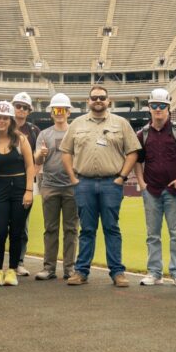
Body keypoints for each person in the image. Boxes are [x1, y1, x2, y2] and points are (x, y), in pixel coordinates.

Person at [61, 85, 140, 287]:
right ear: (88, 101)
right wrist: (73, 178)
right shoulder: (77, 124)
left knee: (111, 228)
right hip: (84, 182)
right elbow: (66, 152)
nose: (98, 100)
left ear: (108, 101)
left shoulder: (121, 123)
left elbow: (133, 152)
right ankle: (81, 271)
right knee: (87, 229)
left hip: (111, 183)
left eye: (102, 97)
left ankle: (117, 272)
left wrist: (122, 177)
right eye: (94, 97)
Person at [136, 88, 176, 287]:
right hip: (151, 191)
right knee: (152, 234)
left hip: (173, 191)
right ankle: (154, 272)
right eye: (154, 106)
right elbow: (137, 161)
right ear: (149, 108)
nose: (158, 109)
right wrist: (141, 183)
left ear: (169, 107)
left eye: (162, 106)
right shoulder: (143, 134)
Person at [0, 100, 35, 286]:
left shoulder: (20, 139)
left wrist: (29, 191)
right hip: (0, 187)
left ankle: (12, 270)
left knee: (16, 231)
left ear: (10, 120)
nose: (1, 121)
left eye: (5, 118)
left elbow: (30, 166)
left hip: (20, 187)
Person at [33, 93, 79, 281]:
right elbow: (37, 160)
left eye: (62, 110)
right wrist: (41, 154)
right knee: (50, 228)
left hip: (71, 186)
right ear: (51, 113)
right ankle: (49, 267)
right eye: (56, 110)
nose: (59, 113)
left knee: (71, 229)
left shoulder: (75, 132)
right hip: (50, 185)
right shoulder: (44, 134)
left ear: (68, 112)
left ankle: (69, 268)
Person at [11, 91, 41, 276]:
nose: (21, 110)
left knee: (22, 225)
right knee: (0, 225)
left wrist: (29, 180)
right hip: (4, 182)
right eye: (18, 106)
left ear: (29, 111)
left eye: (24, 107)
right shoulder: (1, 125)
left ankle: (19, 262)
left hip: (27, 183)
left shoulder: (34, 131)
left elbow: (38, 160)